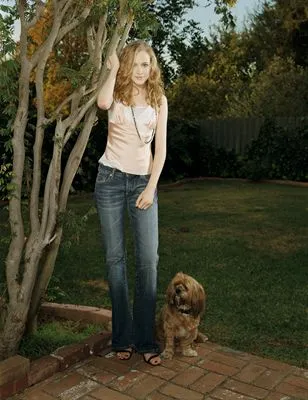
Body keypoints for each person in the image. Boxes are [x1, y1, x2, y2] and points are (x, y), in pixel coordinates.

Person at [95, 40, 168, 366]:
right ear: (127, 65)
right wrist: (112, 70)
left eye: (145, 65)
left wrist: (151, 187)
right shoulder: (118, 94)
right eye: (135, 64)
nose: (140, 71)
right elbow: (101, 101)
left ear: (151, 67)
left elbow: (161, 150)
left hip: (142, 183)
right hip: (110, 181)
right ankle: (121, 338)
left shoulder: (159, 100)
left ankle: (145, 339)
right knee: (115, 261)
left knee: (148, 261)